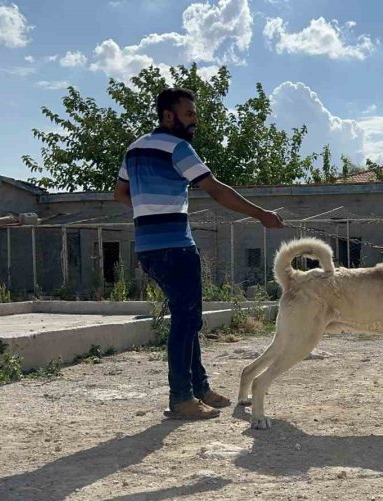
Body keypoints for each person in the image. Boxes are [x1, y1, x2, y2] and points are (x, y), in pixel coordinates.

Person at [114, 88, 284, 420]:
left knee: (187, 319)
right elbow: (216, 189)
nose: (195, 121)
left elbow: (120, 194)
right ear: (168, 116)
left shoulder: (133, 150)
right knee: (185, 321)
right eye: (189, 114)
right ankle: (181, 398)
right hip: (176, 247)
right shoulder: (179, 148)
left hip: (148, 248)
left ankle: (199, 388)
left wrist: (150, 209)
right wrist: (261, 214)